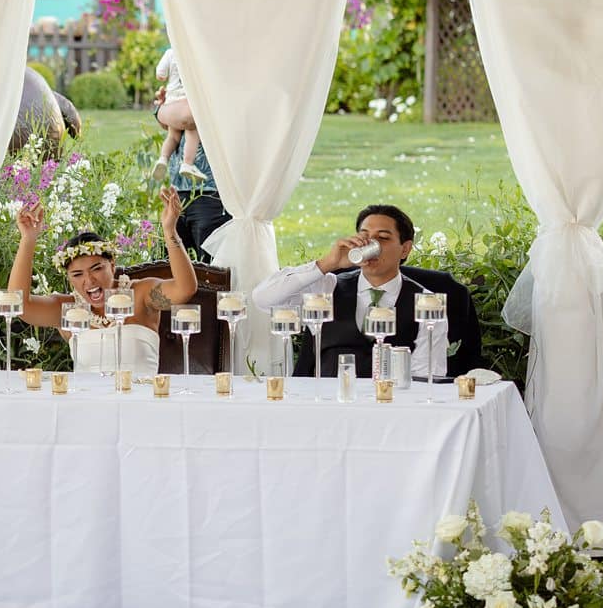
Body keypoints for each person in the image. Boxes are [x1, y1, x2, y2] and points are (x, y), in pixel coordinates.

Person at [8, 187, 197, 377]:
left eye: (96, 269)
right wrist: (28, 239)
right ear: (69, 278)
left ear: (112, 266)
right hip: (87, 404)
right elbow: (17, 304)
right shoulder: (68, 310)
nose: (89, 281)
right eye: (77, 274)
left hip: (141, 401)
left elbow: (185, 289)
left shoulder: (141, 295)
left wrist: (169, 231)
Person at [252, 203, 447, 378]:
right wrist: (327, 263)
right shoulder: (327, 287)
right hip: (325, 404)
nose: (372, 245)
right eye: (364, 237)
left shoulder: (426, 302)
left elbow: (426, 375)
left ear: (405, 249)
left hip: (389, 407)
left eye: (383, 238)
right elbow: (263, 299)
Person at [152, 46, 205, 185]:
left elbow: (160, 75)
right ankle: (187, 163)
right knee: (192, 131)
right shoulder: (196, 53)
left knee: (172, 137)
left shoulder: (170, 53)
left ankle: (163, 158)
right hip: (188, 99)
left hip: (172, 99)